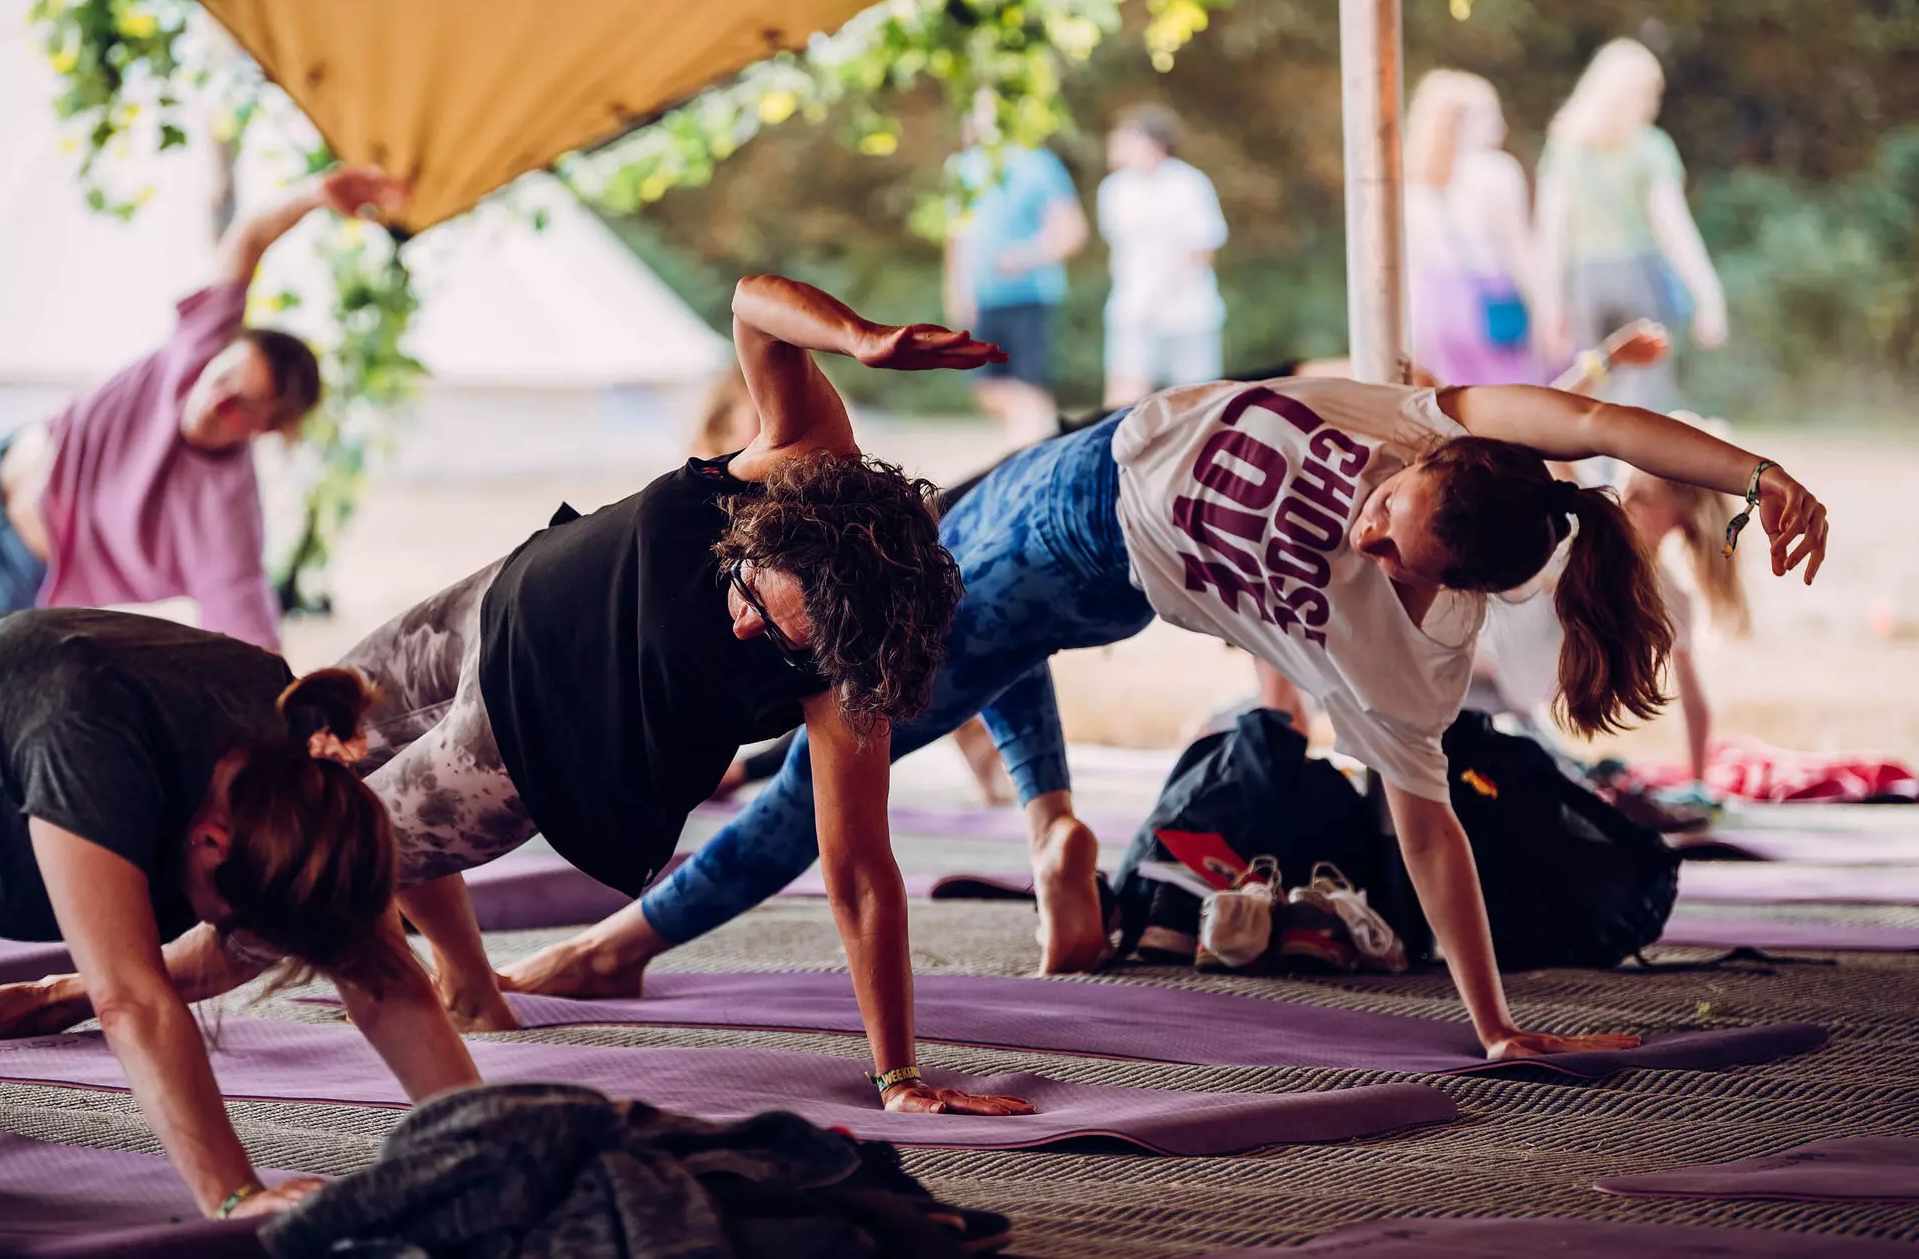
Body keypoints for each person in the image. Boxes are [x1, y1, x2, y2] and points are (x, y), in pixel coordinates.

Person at [499, 369, 1829, 1065]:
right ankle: (1052, 824)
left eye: (1400, 551)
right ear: (1430, 453)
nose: (1371, 533)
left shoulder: (1405, 657)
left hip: (1074, 526)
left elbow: (1432, 841)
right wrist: (1755, 470)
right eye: (1388, 504)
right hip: (1083, 513)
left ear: (1452, 585)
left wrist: (1488, 1020)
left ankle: (621, 942)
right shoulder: (1420, 420)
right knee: (970, 635)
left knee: (829, 764)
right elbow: (1594, 419)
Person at [0, 275, 1035, 1120]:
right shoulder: (805, 457)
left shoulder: (849, 672)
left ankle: (67, 993)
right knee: (294, 745)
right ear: (781, 531)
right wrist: (863, 337)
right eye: (755, 591)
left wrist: (896, 1070)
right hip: (482, 606)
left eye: (776, 640)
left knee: (308, 867)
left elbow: (858, 875)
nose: (746, 624)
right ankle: (469, 986)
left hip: (523, 749)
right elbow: (754, 302)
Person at [0, 609, 476, 1215]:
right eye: (237, 928)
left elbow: (382, 977)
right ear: (210, 843)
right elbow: (130, 999)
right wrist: (235, 1197)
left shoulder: (295, 758)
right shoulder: (85, 744)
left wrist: (486, 1148)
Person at [0, 166, 408, 650]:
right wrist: (316, 193)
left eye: (243, 406)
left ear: (266, 429)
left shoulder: (224, 518)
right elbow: (249, 237)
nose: (216, 399)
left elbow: (255, 644)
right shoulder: (201, 342)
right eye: (224, 378)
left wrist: (302, 731)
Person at [1477, 408, 1752, 787]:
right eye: (1629, 486)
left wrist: (1700, 784)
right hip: (1487, 664)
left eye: (1646, 497)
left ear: (1683, 518)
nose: (1629, 501)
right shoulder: (1595, 517)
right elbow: (1542, 423)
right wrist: (1605, 363)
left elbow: (1692, 698)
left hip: (1514, 682)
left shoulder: (1667, 594)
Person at [1536, 39, 1728, 407]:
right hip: (1639, 278)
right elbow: (1674, 229)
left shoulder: (1564, 148)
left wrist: (1549, 306)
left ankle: (1597, 465)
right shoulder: (1651, 147)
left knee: (1592, 386)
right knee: (1644, 392)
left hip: (1584, 281)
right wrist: (1708, 294)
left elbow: (1551, 233)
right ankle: (1632, 466)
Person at [945, 96, 1089, 446]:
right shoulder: (962, 167)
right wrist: (956, 289)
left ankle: (1026, 453)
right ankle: (1044, 439)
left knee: (1028, 387)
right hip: (983, 298)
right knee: (986, 390)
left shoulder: (1038, 163)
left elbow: (1072, 231)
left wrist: (1026, 256)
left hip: (1028, 295)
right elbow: (955, 237)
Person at [1403, 70, 1542, 386]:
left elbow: (1412, 265)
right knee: (1506, 403)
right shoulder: (1497, 171)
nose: (1501, 126)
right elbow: (1518, 249)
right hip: (1491, 302)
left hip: (1434, 307)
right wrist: (1546, 308)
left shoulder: (1413, 178)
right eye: (1493, 115)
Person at [1096, 104, 1229, 407]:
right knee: (1123, 399)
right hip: (1133, 312)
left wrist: (1162, 292)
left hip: (1188, 313)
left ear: (1151, 143)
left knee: (1197, 404)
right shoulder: (1115, 190)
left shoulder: (1188, 184)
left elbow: (1203, 249)